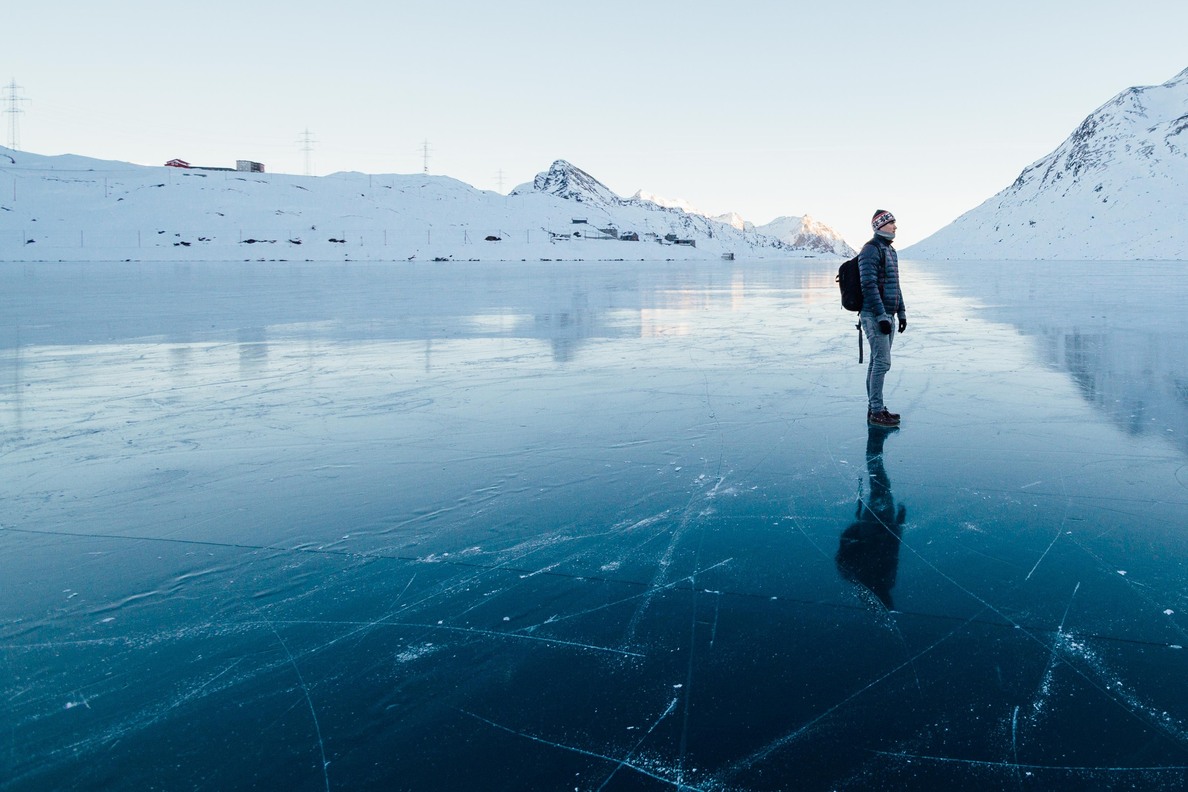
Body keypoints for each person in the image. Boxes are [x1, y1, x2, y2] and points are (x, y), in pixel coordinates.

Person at [835, 424, 906, 609]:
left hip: (873, 531)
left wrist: (856, 536)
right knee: (880, 489)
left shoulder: (860, 576)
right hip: (875, 531)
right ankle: (874, 453)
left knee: (881, 489)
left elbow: (891, 551)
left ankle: (874, 452)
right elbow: (892, 551)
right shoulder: (869, 578)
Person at [859, 210, 907, 427]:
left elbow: (895, 285)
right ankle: (876, 410)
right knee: (882, 363)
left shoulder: (890, 250)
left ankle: (875, 407)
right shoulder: (871, 250)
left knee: (876, 362)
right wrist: (881, 316)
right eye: (891, 223)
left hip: (888, 314)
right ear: (880, 226)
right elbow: (868, 285)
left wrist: (901, 311)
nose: (895, 227)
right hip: (874, 315)